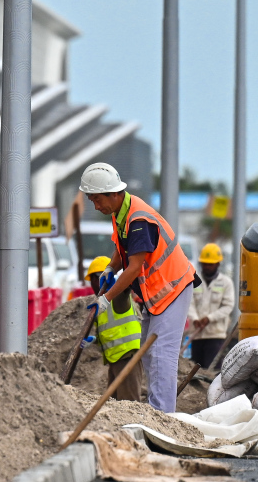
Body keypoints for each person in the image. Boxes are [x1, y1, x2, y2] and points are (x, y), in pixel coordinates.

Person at [80, 161, 196, 413]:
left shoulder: (138, 220)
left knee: (162, 355)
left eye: (97, 200)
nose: (96, 206)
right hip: (158, 294)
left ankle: (163, 414)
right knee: (148, 351)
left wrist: (106, 299)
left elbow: (133, 267)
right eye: (92, 201)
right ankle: (156, 410)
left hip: (173, 288)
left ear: (113, 194)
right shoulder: (121, 214)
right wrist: (110, 267)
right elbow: (122, 251)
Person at [83, 256, 142, 401]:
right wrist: (95, 340)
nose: (92, 284)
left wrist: (117, 279)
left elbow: (128, 283)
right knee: (115, 403)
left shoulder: (117, 297)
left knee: (129, 403)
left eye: (94, 279)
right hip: (115, 359)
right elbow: (111, 331)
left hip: (128, 356)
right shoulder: (101, 303)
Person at [187, 243, 235, 371]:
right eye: (205, 264)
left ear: (218, 264)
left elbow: (228, 306)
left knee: (212, 370)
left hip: (215, 335)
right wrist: (195, 318)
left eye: (210, 264)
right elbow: (189, 303)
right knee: (196, 370)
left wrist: (209, 318)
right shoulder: (194, 281)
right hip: (197, 335)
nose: (207, 267)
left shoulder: (226, 283)